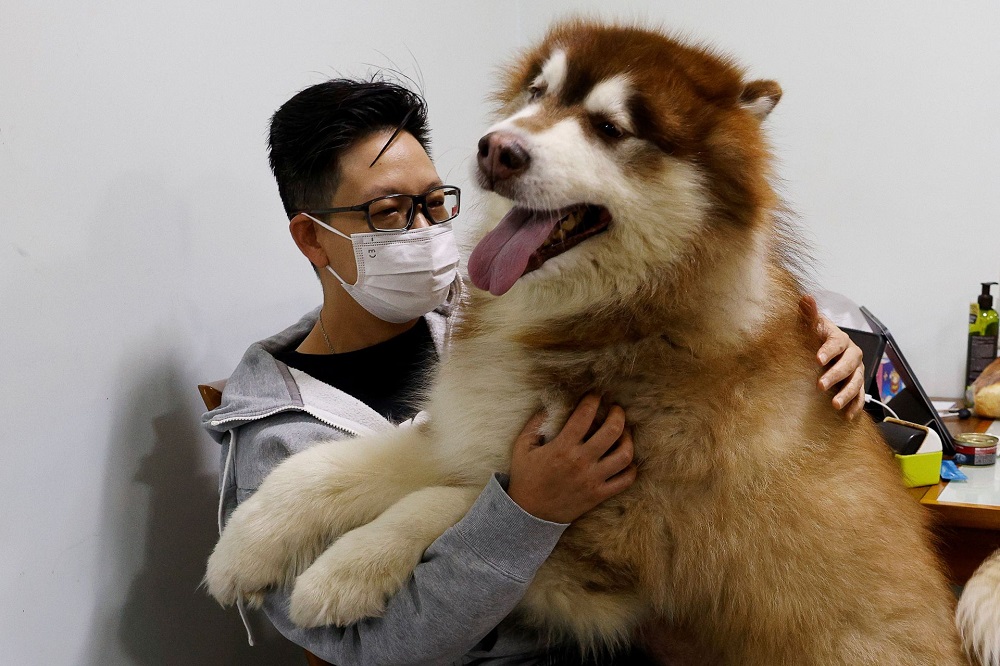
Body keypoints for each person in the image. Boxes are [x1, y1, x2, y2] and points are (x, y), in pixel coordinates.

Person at [203, 78, 866, 665]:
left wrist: (814, 351)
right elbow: (380, 647)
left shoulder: (489, 312)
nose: (427, 229)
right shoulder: (278, 437)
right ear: (312, 236)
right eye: (388, 211)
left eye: (436, 201)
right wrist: (526, 511)